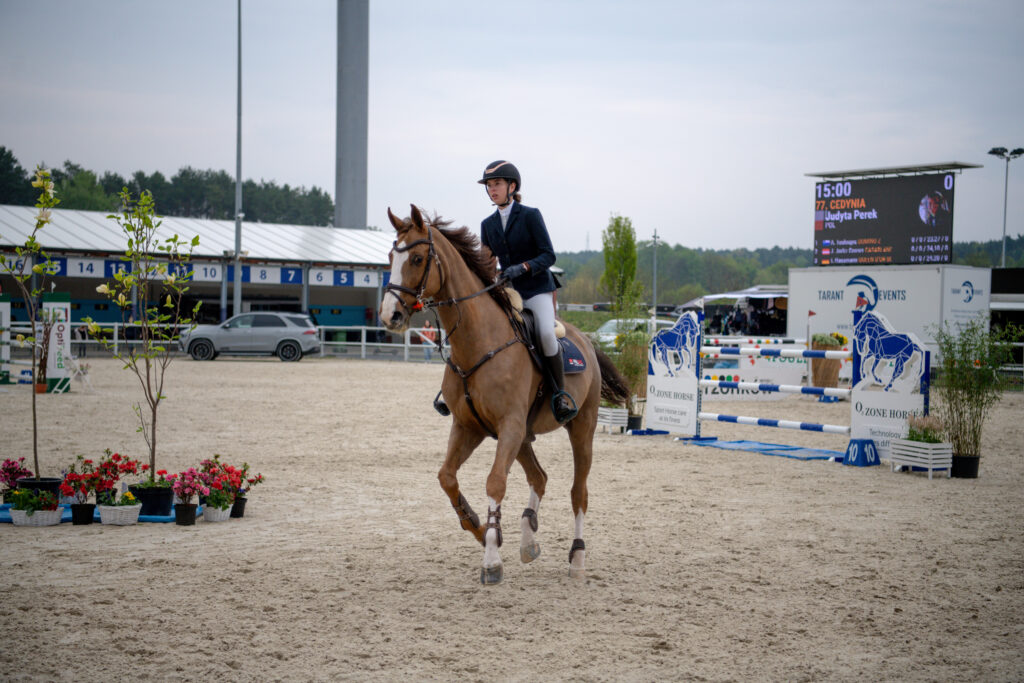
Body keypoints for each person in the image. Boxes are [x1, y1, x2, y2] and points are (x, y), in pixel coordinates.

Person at [477, 160, 577, 424]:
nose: (492, 189)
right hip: (508, 292)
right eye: (489, 185)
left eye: (497, 184)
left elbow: (548, 255)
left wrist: (521, 268)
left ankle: (560, 394)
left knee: (545, 334)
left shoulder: (530, 215)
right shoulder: (487, 224)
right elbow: (487, 261)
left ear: (512, 186)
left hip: (536, 289)